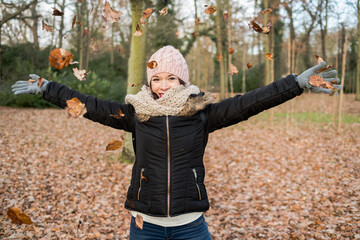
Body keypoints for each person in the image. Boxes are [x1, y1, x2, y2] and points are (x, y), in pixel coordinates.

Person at [11, 45, 341, 240]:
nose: (163, 84)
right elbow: (90, 104)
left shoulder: (202, 112)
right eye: (157, 78)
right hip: (145, 225)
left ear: (182, 79)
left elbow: (251, 101)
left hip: (190, 226)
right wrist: (48, 88)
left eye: (171, 78)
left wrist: (295, 84)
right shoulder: (135, 113)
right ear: (150, 81)